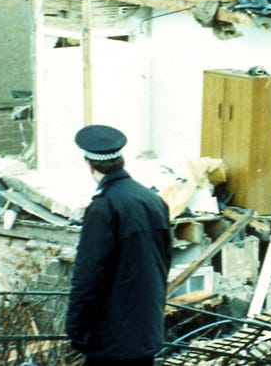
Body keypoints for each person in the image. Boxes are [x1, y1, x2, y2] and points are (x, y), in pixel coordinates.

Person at [66, 124, 172, 366]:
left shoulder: (104, 207)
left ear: (90, 164)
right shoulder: (153, 200)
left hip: (111, 340)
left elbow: (88, 276)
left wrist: (76, 330)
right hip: (146, 333)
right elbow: (164, 262)